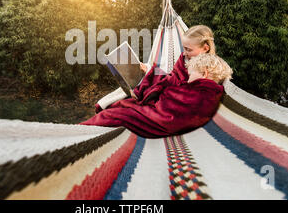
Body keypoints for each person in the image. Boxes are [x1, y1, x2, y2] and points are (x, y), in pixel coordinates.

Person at [81, 25, 231, 138]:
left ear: (205, 48)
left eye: (189, 49)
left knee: (120, 112)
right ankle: (89, 132)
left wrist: (154, 79)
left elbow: (186, 94)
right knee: (120, 105)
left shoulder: (211, 67)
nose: (185, 53)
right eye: (184, 48)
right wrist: (150, 71)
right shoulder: (184, 59)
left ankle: (79, 133)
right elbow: (172, 78)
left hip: (168, 111)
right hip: (164, 98)